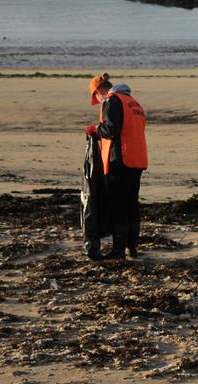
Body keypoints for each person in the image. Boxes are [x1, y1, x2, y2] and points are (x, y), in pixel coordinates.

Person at [85, 73, 148, 260]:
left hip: (120, 160)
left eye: (96, 96)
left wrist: (95, 129)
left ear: (99, 91)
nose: (98, 100)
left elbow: (111, 130)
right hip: (138, 159)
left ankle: (119, 250)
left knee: (119, 205)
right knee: (131, 204)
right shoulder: (133, 102)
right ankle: (132, 247)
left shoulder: (113, 101)